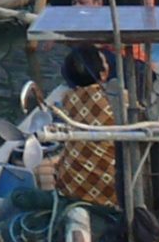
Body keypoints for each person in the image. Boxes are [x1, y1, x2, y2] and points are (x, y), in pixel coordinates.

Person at [49, 45, 122, 210]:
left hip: (69, 188)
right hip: (112, 193)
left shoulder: (67, 100)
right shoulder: (119, 100)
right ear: (103, 74)